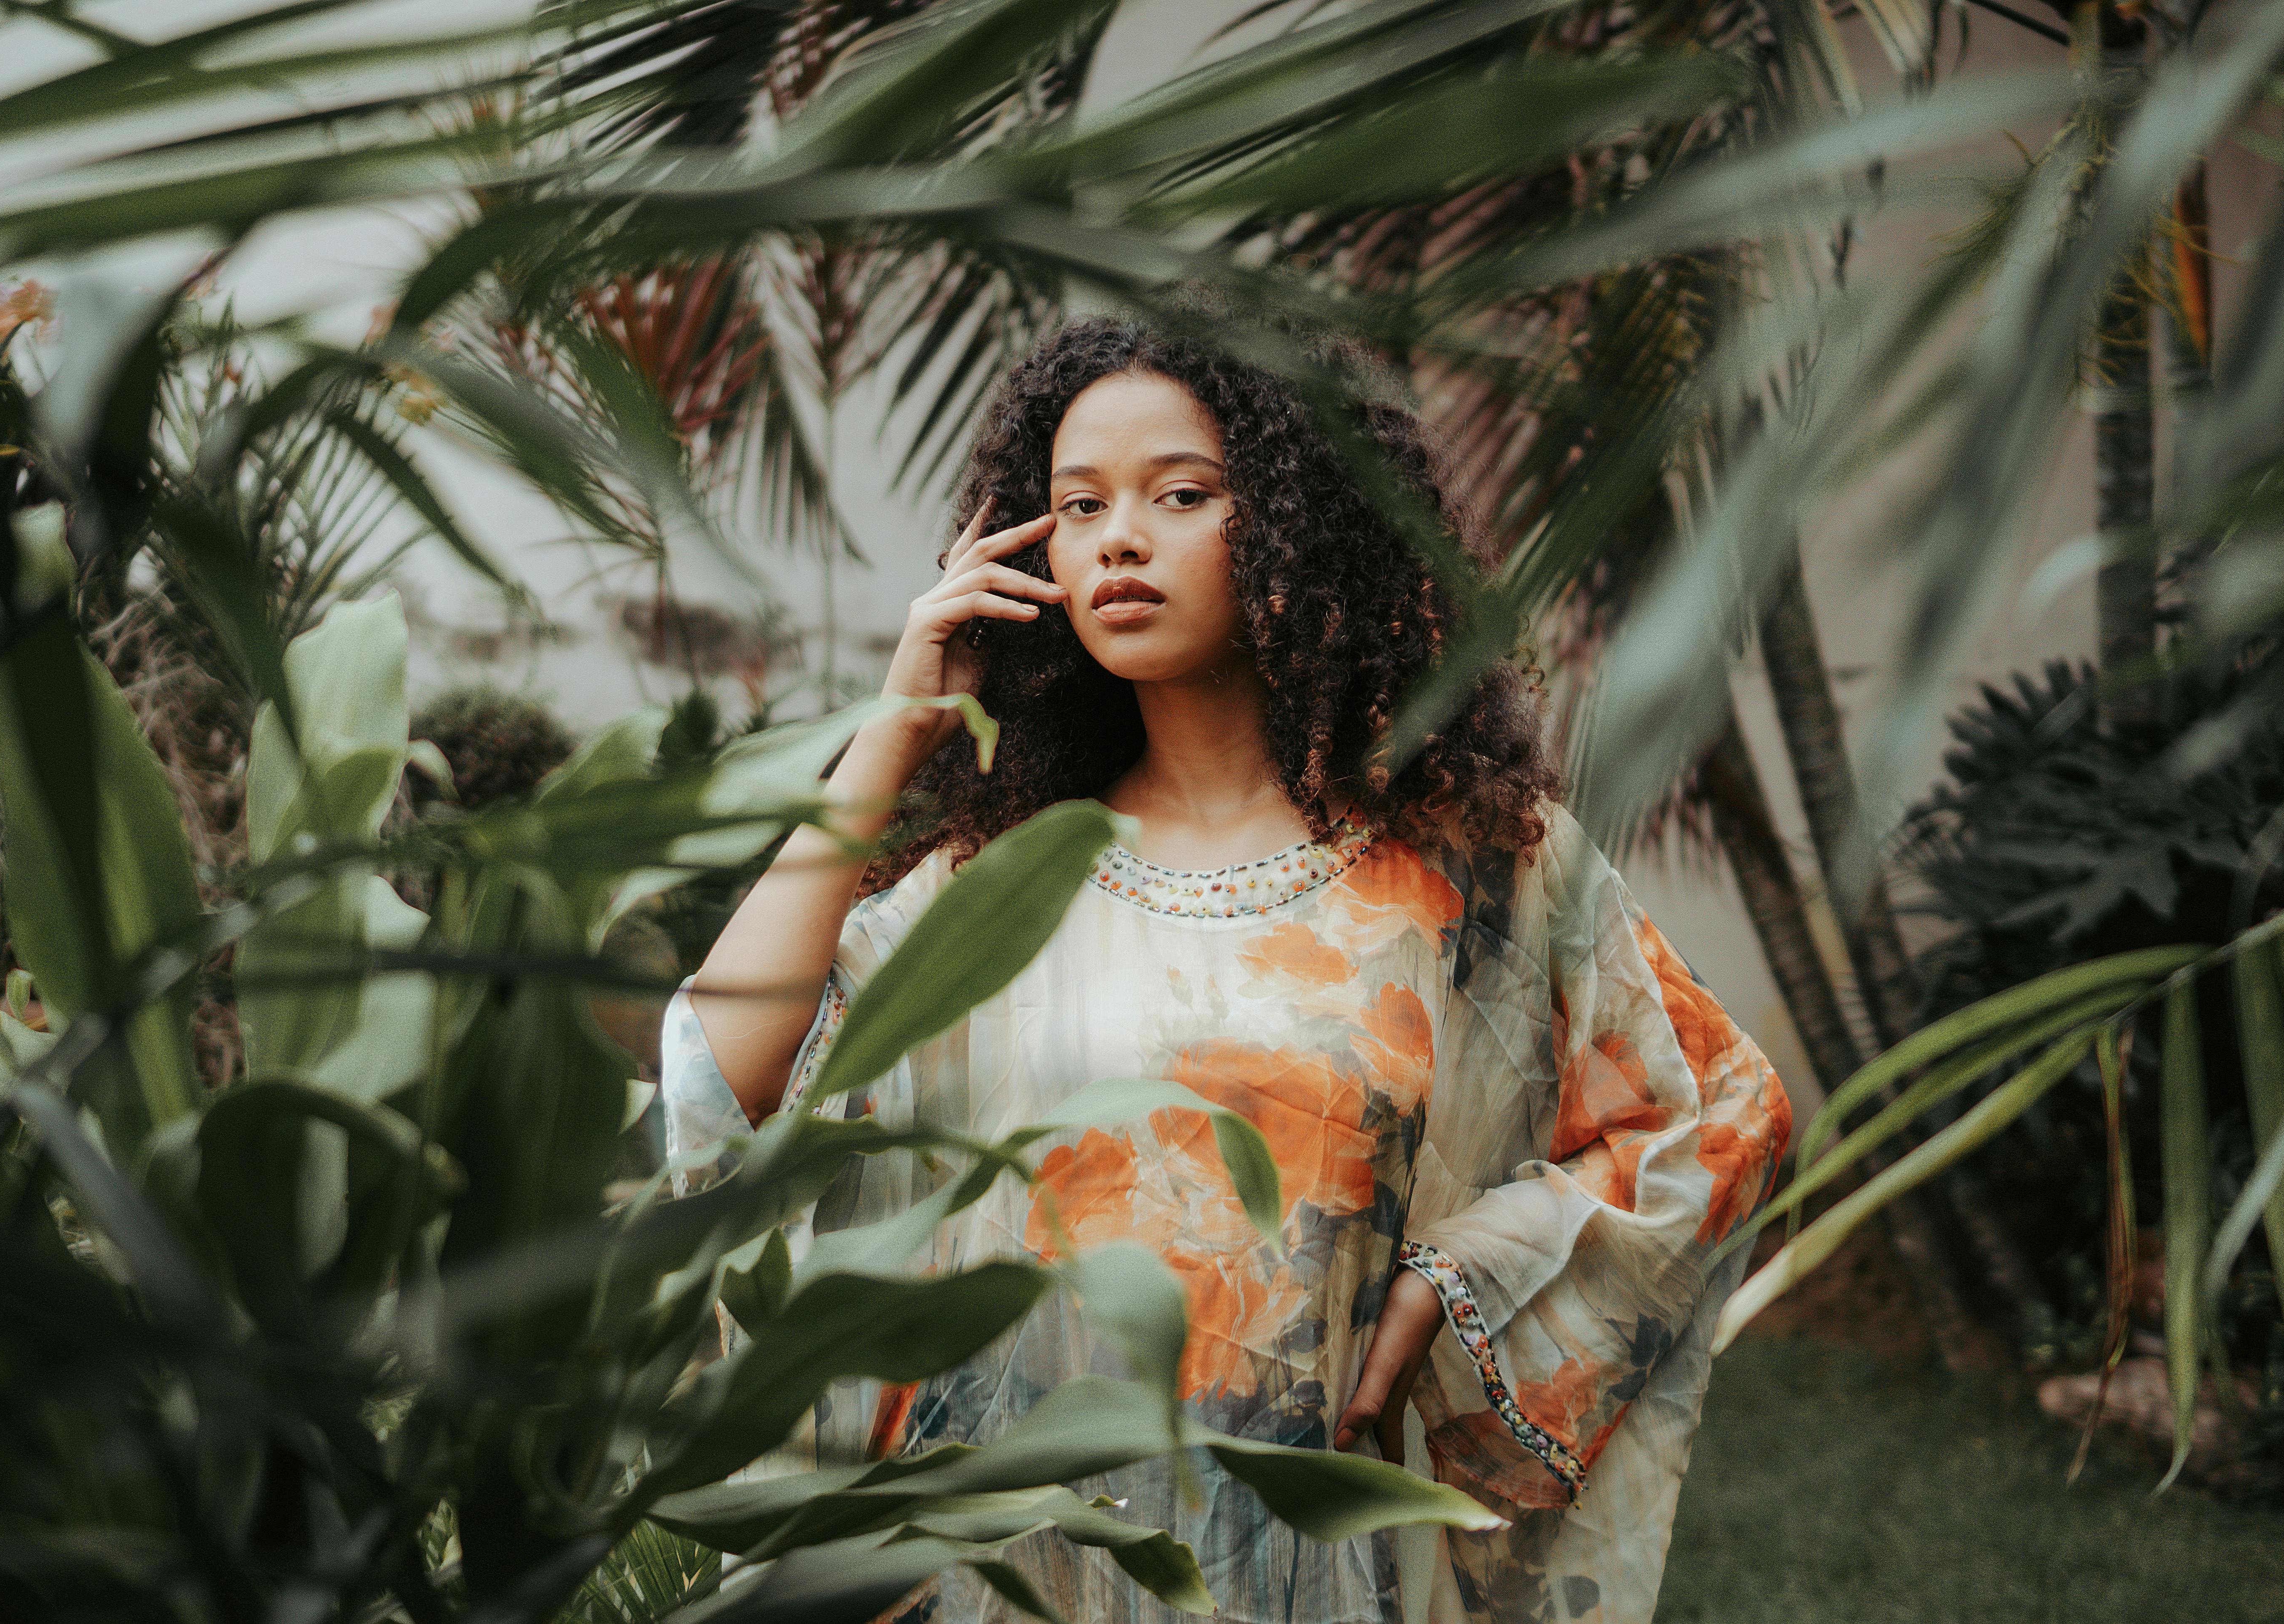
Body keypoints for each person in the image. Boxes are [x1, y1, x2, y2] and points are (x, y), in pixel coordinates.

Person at [663, 317, 1791, 1624]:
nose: (1117, 539)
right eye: (1076, 506)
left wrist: (1459, 1272)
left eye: (1179, 495)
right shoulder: (999, 883)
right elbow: (716, 1084)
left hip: (1293, 1556)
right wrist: (895, 732)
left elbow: (1715, 1114)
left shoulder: (1469, 868)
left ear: (1298, 529)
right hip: (994, 1560)